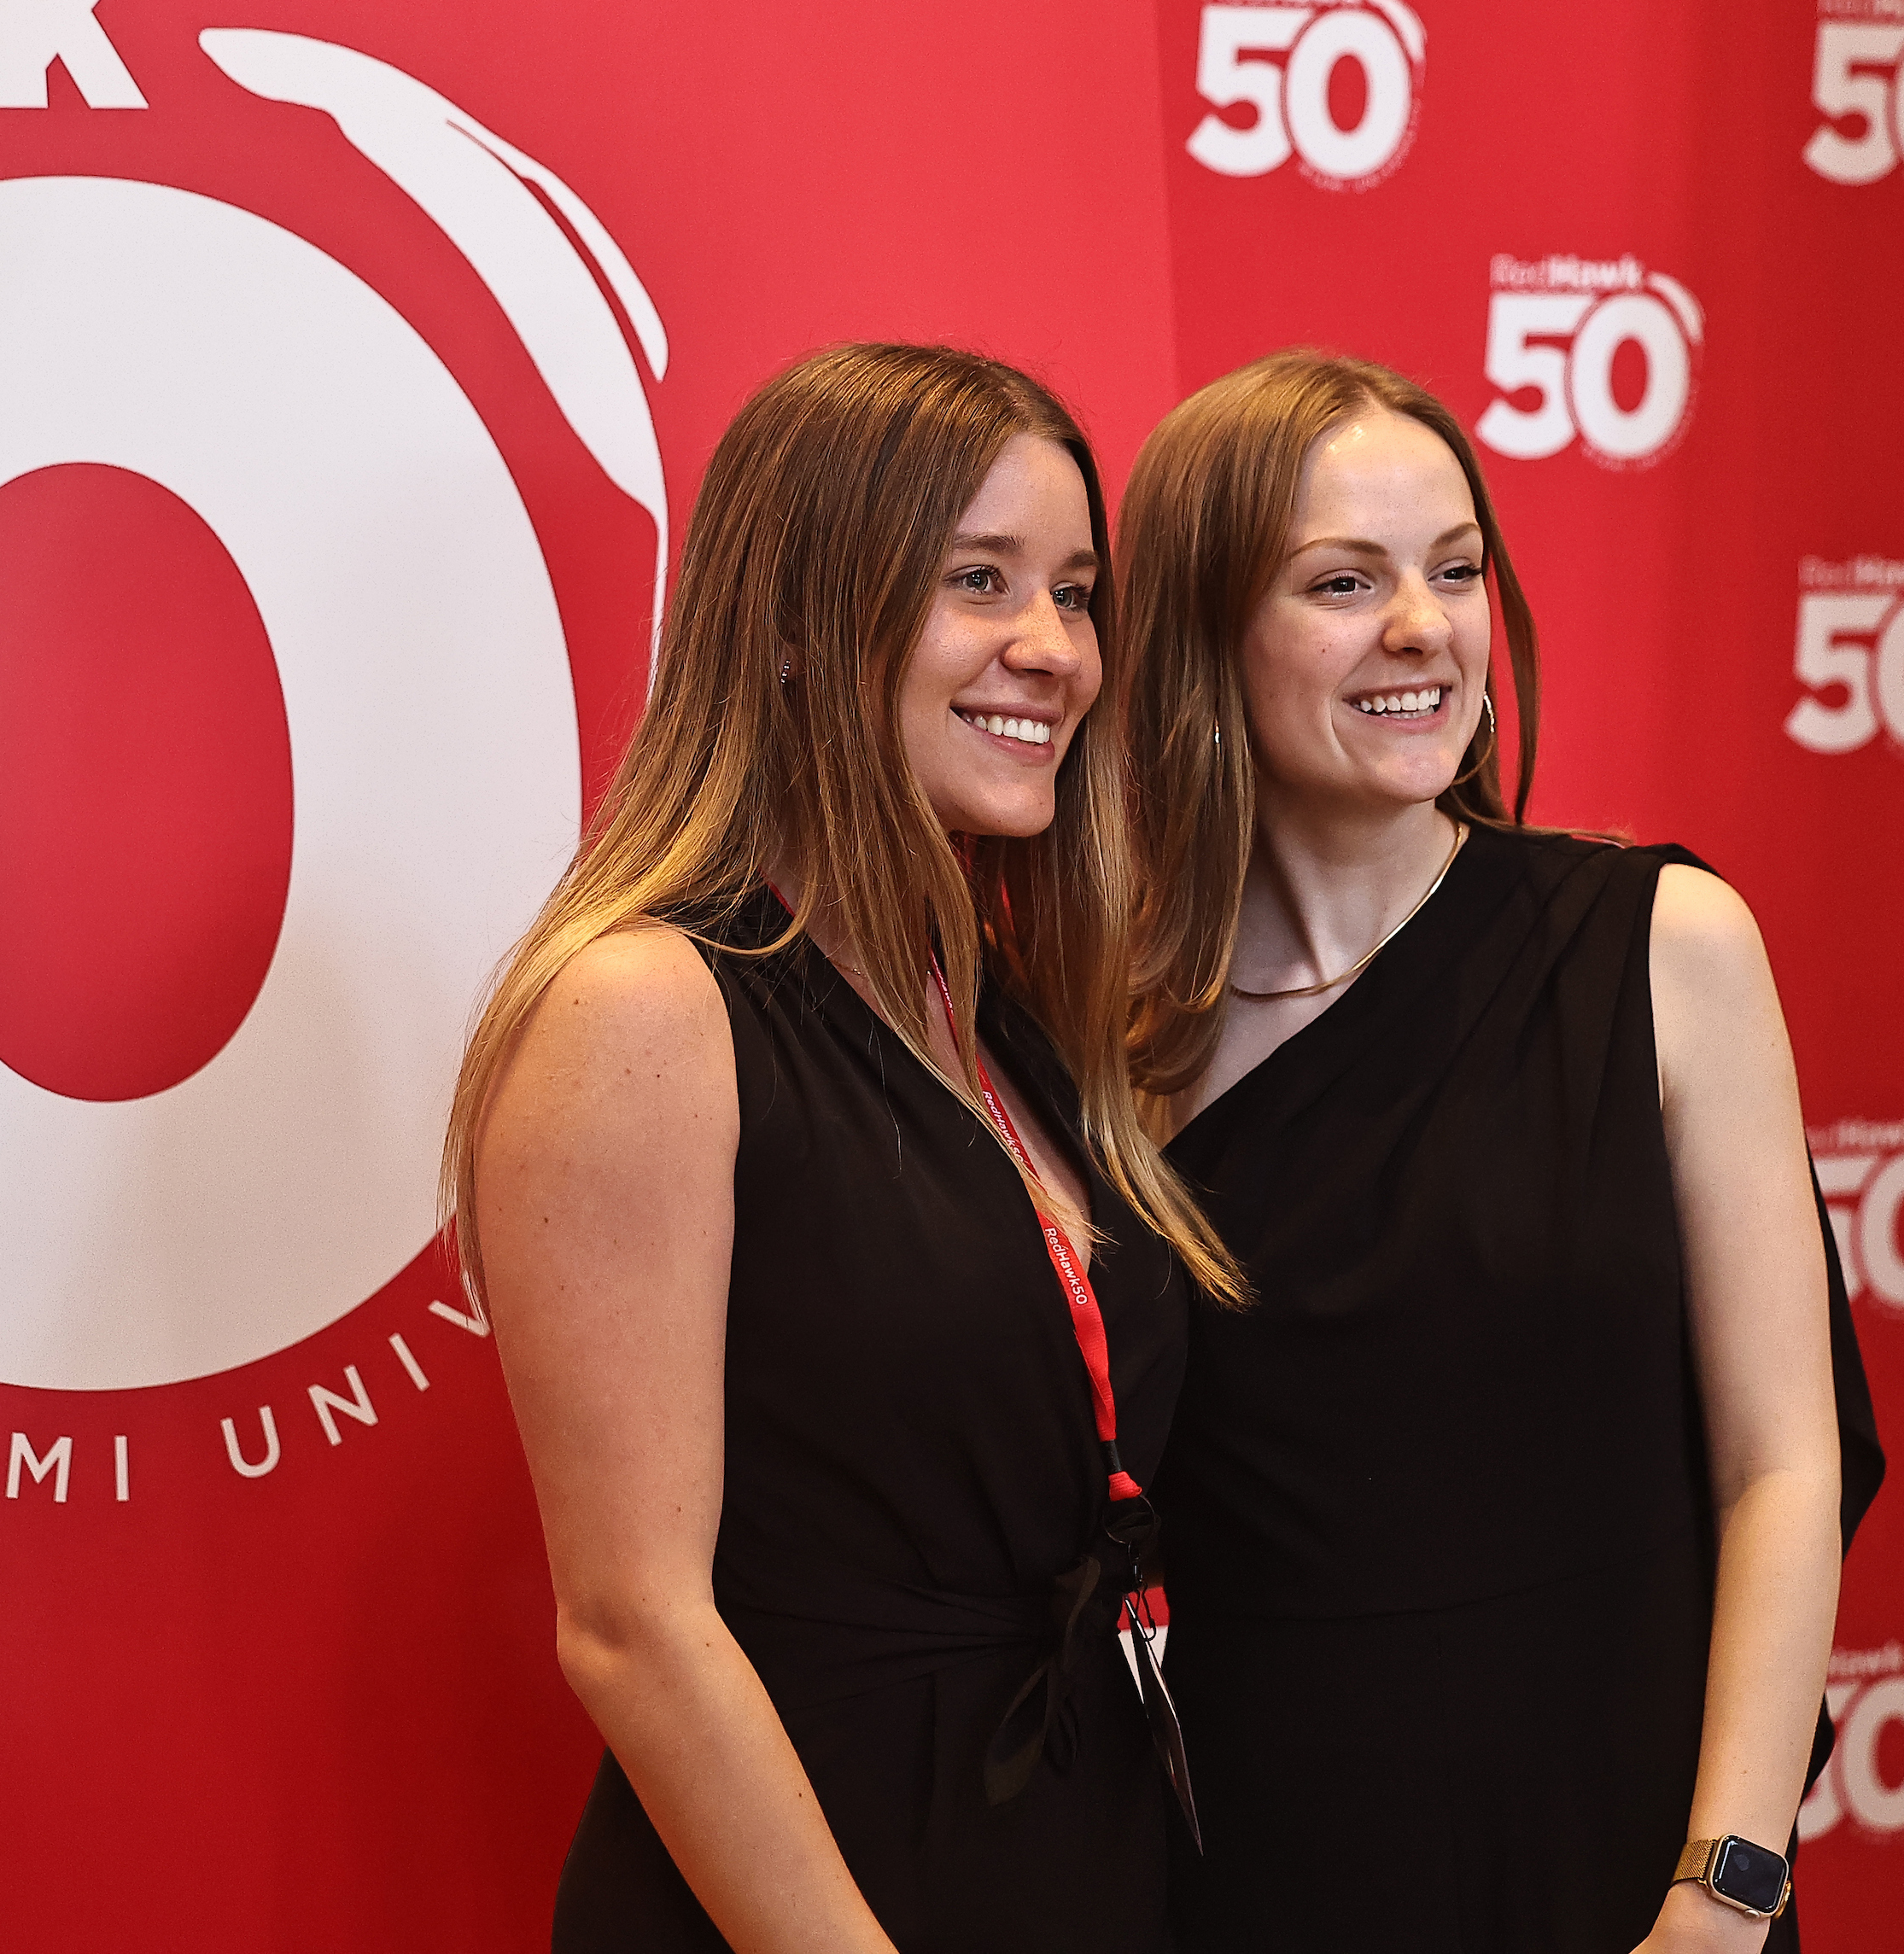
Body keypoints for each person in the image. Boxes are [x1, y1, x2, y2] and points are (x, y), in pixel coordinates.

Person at [443, 343, 1237, 1953]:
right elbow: (635, 1625)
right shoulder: (645, 1003)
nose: (1053, 649)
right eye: (979, 581)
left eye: (1077, 593)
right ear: (798, 629)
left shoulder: (994, 1008)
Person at [1115, 349, 1884, 1954]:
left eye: (1455, 569)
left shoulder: (1663, 946)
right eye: (1345, 579)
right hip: (1269, 1889)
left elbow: (1786, 1464)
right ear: (1202, 632)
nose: (1423, 626)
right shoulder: (1107, 1047)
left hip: (1641, 1887)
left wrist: (1726, 1888)